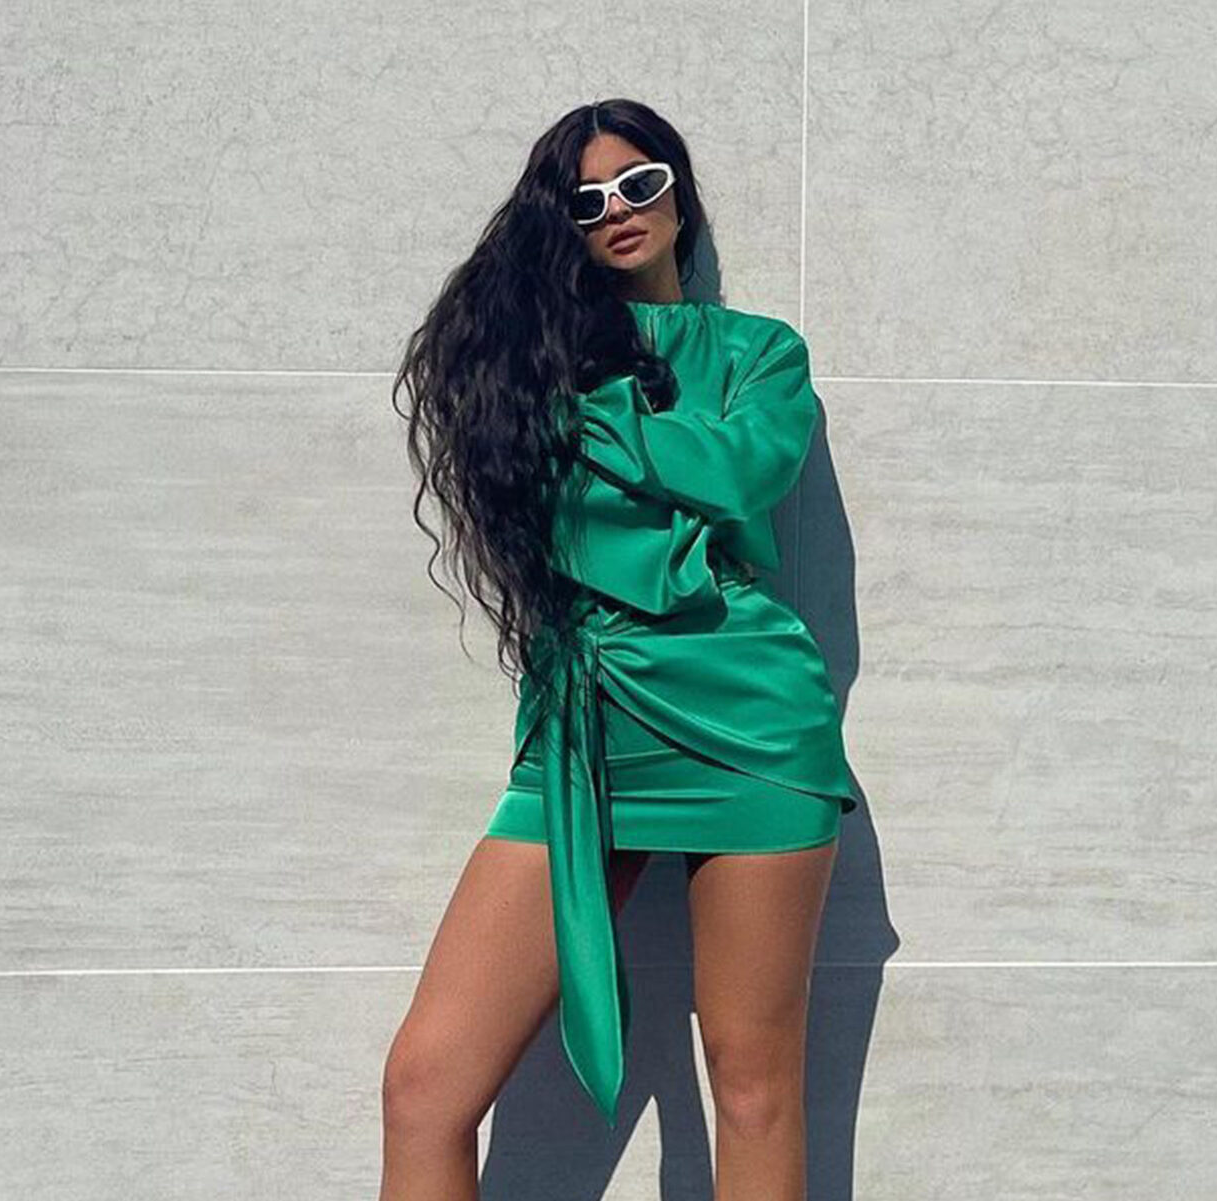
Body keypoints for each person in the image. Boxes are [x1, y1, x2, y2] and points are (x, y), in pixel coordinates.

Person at [379, 98, 861, 1199]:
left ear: (679, 194)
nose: (618, 212)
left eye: (639, 185)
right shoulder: (525, 365)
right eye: (587, 202)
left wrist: (590, 422)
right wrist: (602, 416)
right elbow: (646, 497)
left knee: (753, 1086)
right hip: (589, 718)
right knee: (424, 1084)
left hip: (749, 717)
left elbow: (744, 470)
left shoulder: (759, 352)